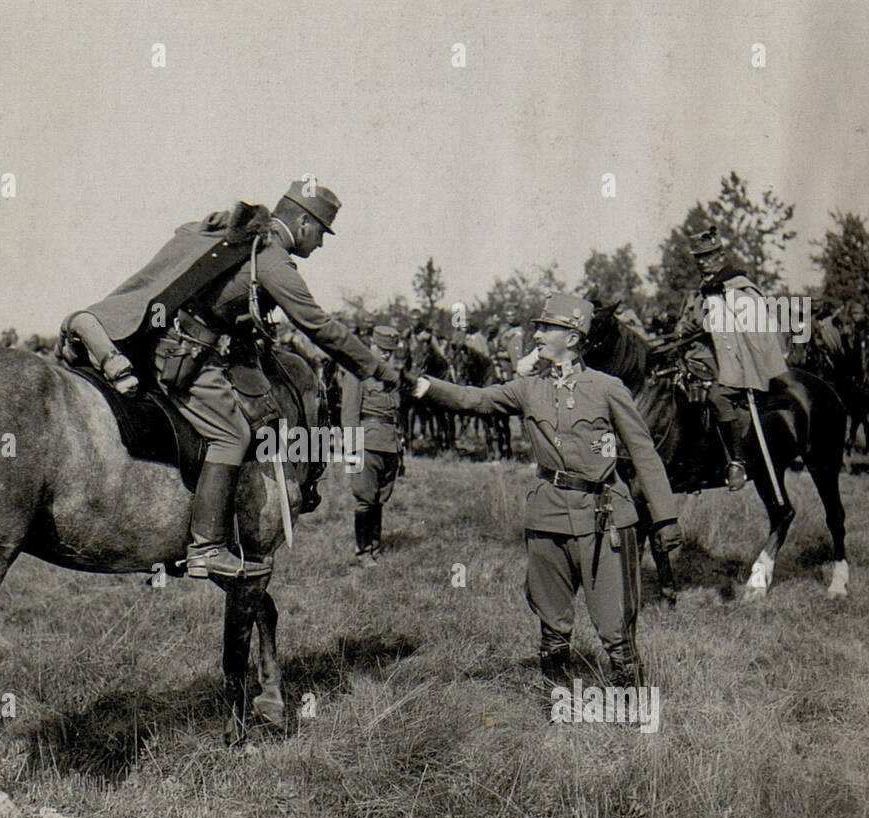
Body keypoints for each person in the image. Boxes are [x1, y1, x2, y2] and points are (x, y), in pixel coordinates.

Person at [62, 178, 399, 580]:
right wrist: (378, 368)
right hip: (183, 353)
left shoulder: (241, 236)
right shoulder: (273, 261)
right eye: (321, 234)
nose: (321, 244)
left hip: (154, 335)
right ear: (305, 224)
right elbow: (319, 326)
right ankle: (206, 546)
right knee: (232, 435)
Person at [411, 293, 681, 687]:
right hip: (548, 516)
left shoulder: (607, 388)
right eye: (537, 327)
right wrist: (423, 386)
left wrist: (666, 517)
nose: (535, 335)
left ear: (572, 338)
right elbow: (476, 399)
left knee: (615, 626)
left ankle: (628, 713)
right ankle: (557, 706)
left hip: (603, 518)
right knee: (552, 626)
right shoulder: (528, 389)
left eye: (545, 328)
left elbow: (644, 453)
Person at [675, 225, 788, 490]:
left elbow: (755, 326)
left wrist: (707, 326)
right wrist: (683, 328)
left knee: (717, 397)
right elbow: (683, 322)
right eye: (699, 258)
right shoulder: (700, 293)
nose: (703, 263)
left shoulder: (738, 288)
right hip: (699, 362)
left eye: (709, 256)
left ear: (721, 256)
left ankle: (736, 462)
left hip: (734, 363)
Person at [341, 325, 406, 566]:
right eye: (382, 349)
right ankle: (363, 551)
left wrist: (401, 447)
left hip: (389, 444)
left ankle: (375, 547)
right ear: (372, 345)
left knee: (380, 498)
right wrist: (351, 449)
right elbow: (349, 412)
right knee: (364, 499)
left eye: (390, 351)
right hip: (366, 443)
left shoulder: (391, 375)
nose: (386, 355)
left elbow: (396, 415)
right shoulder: (357, 372)